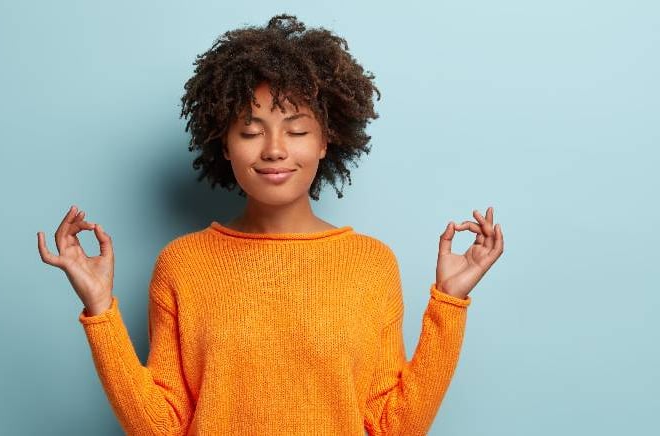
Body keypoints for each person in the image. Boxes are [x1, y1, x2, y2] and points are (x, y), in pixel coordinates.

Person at [37, 14, 503, 436]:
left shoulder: (370, 265)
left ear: (325, 141)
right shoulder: (182, 264)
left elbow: (393, 426)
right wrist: (100, 309)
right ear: (224, 144)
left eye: (296, 130)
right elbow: (161, 426)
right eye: (251, 131)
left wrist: (450, 303)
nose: (275, 149)